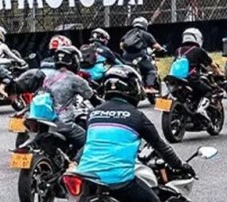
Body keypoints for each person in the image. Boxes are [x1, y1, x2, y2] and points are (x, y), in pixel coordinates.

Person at [75, 65, 192, 202]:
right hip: (118, 181)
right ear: (133, 88)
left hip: (87, 178)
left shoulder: (93, 114)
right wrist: (180, 165)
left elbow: (90, 145)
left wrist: (75, 162)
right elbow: (161, 147)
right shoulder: (137, 116)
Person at [38, 45, 94, 156]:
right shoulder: (75, 79)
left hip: (44, 121)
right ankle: (76, 165)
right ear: (74, 61)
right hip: (63, 124)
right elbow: (92, 97)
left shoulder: (48, 77)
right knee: (90, 143)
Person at [171, 28, 220, 119]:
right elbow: (211, 65)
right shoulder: (198, 50)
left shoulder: (178, 50)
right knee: (208, 91)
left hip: (175, 79)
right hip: (191, 79)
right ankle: (201, 109)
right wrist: (218, 72)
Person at [119, 17, 165, 94]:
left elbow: (121, 45)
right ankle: (149, 87)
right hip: (139, 57)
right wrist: (161, 49)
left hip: (126, 57)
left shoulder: (128, 33)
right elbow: (156, 46)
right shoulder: (146, 34)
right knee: (151, 70)